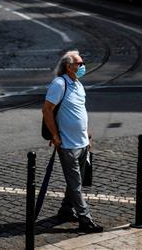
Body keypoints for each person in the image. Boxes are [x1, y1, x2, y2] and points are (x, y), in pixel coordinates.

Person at [42, 51, 103, 234]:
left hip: (82, 142)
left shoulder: (78, 83)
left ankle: (65, 210)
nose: (83, 66)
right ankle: (86, 220)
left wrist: (86, 133)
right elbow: (47, 110)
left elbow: (79, 110)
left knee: (76, 181)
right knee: (75, 183)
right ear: (69, 66)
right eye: (80, 63)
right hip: (67, 144)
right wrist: (55, 135)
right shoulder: (59, 84)